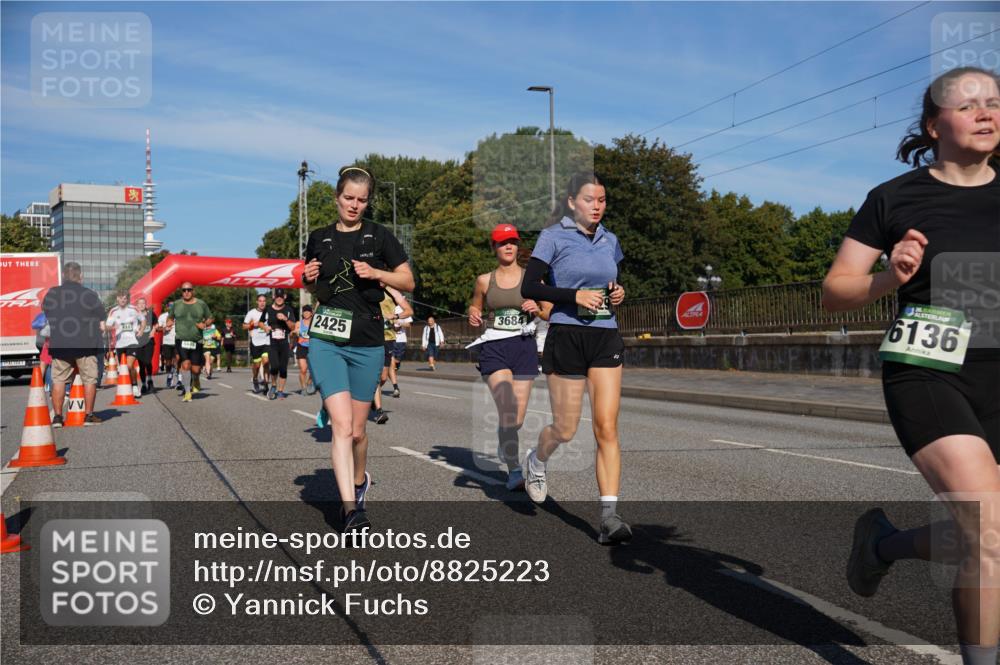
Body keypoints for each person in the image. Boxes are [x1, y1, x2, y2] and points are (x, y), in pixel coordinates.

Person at [822, 67, 1000, 665]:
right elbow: (835, 291)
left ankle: (883, 545)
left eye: (993, 102)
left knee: (987, 534)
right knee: (988, 530)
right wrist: (888, 277)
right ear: (933, 126)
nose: (985, 112)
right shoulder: (895, 198)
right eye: (967, 105)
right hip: (929, 369)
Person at [521, 172, 630, 545]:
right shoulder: (553, 237)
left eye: (602, 199)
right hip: (567, 335)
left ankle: (609, 517)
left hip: (605, 334)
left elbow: (610, 281)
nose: (597, 206)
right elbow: (530, 286)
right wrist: (573, 296)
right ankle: (537, 460)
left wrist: (617, 293)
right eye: (589, 199)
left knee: (607, 427)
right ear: (572, 202)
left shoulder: (610, 240)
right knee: (565, 429)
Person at [302, 166, 414, 532]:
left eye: (361, 200)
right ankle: (351, 511)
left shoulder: (379, 236)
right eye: (348, 197)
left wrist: (377, 273)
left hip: (367, 340)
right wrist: (307, 279)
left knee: (358, 433)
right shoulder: (318, 237)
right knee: (342, 426)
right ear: (337, 198)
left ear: (368, 203)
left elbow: (408, 281)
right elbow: (315, 289)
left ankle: (359, 479)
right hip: (327, 340)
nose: (354, 205)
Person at [467, 223, 547, 491]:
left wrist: (537, 308)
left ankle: (505, 438)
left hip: (523, 347)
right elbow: (475, 307)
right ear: (494, 248)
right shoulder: (484, 280)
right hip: (494, 347)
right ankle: (514, 470)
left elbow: (549, 311)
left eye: (512, 241)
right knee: (508, 408)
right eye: (502, 242)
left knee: (516, 419)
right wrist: (473, 315)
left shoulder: (532, 279)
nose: (508, 246)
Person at [42, 262, 104, 426]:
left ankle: (57, 417)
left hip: (60, 343)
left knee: (59, 380)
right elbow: (101, 315)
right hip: (85, 344)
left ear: (63, 275)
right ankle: (88, 416)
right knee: (89, 379)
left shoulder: (53, 293)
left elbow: (46, 312)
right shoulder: (89, 294)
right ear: (80, 276)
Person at [167, 281, 213, 403]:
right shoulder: (176, 304)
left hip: (197, 340)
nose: (186, 292)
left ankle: (196, 379)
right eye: (184, 290)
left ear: (193, 291)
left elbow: (210, 318)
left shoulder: (201, 304)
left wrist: (205, 324)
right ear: (181, 292)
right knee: (185, 365)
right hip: (181, 339)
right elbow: (170, 317)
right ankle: (187, 392)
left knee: (196, 370)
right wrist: (169, 323)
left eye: (189, 290)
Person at [373, 286, 413, 424]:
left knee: (383, 377)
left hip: (389, 337)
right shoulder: (367, 288)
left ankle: (370, 394)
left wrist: (395, 316)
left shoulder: (391, 291)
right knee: (375, 376)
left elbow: (409, 311)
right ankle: (379, 410)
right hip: (372, 337)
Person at [106, 290, 145, 399]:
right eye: (120, 298)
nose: (122, 300)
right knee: (124, 368)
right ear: (117, 299)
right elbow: (107, 326)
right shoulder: (113, 311)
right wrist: (113, 327)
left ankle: (135, 386)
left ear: (127, 299)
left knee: (129, 365)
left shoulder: (134, 309)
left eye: (124, 298)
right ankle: (130, 386)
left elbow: (143, 320)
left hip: (132, 342)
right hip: (119, 344)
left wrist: (141, 331)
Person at [262, 289, 296, 399]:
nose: (279, 299)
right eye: (277, 297)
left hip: (284, 342)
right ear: (274, 297)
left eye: (281, 297)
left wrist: (285, 319)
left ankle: (280, 391)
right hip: (272, 342)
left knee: (283, 368)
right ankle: (273, 385)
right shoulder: (268, 309)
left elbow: (293, 327)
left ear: (284, 297)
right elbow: (261, 322)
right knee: (274, 366)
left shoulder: (288, 310)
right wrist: (265, 327)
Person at [244, 294, 271, 394]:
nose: (262, 303)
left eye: (264, 301)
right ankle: (255, 379)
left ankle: (266, 384)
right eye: (260, 301)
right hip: (255, 342)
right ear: (257, 302)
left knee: (266, 362)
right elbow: (244, 326)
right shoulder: (251, 313)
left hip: (266, 341)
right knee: (257, 365)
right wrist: (252, 324)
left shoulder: (269, 312)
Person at [388, 297, 412, 397]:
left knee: (397, 361)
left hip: (401, 340)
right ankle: (395, 385)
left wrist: (399, 322)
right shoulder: (388, 307)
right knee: (391, 361)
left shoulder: (402, 309)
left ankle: (394, 368)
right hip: (390, 339)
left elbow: (409, 324)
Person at [134, 297, 156, 394]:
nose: (141, 305)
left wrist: (153, 330)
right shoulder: (134, 316)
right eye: (139, 303)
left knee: (147, 361)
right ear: (137, 305)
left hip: (149, 341)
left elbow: (156, 324)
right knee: (141, 364)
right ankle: (143, 384)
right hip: (139, 343)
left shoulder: (151, 314)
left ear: (146, 304)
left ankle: (150, 380)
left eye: (143, 303)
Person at [296, 305, 316, 394]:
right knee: (303, 369)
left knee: (313, 369)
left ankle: (309, 382)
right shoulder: (299, 323)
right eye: (304, 311)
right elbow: (295, 332)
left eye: (308, 311)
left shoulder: (315, 323)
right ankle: (303, 388)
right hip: (301, 347)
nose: (306, 313)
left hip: (312, 347)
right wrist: (295, 333)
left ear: (311, 313)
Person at [158, 301, 177, 388]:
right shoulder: (162, 316)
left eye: (173, 306)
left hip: (177, 341)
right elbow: (157, 328)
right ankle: (170, 375)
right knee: (168, 362)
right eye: (170, 306)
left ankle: (179, 379)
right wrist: (165, 328)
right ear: (167, 307)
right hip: (167, 342)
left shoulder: (179, 316)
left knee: (177, 360)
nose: (171, 308)